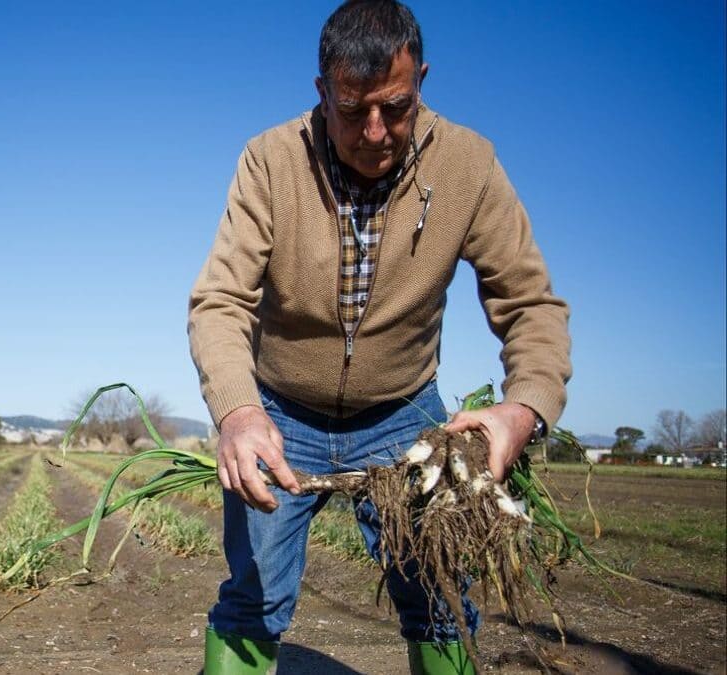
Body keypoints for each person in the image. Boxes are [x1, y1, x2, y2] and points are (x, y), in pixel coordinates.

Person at [186, 1, 571, 673]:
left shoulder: (469, 165)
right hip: (279, 410)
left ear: (420, 80)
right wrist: (238, 410)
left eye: (395, 107)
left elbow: (531, 302)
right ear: (322, 93)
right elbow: (220, 301)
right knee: (255, 596)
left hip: (403, 413)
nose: (373, 132)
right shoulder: (271, 161)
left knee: (440, 594)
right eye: (351, 108)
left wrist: (525, 407)